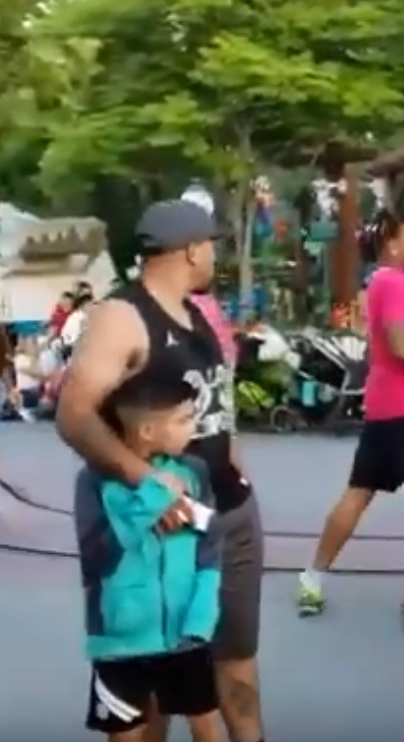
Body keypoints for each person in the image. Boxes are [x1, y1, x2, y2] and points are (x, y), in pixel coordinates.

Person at [56, 199, 266, 742]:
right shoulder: (122, 316)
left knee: (236, 666)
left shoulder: (197, 314)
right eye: (212, 244)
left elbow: (216, 406)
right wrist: (144, 481)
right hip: (161, 520)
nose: (215, 253)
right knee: (157, 683)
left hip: (227, 508)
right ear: (192, 248)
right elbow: (74, 413)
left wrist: (236, 471)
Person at [298, 217, 404, 615]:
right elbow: (402, 346)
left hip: (388, 406)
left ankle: (312, 577)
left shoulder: (403, 287)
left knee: (360, 490)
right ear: (392, 245)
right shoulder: (392, 282)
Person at [75, 368, 224, 742]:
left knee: (206, 727)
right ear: (147, 430)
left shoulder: (194, 472)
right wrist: (154, 499)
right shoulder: (94, 481)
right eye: (184, 419)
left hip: (187, 637)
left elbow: (209, 554)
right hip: (120, 643)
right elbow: (98, 558)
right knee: (126, 735)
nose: (195, 425)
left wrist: (200, 621)